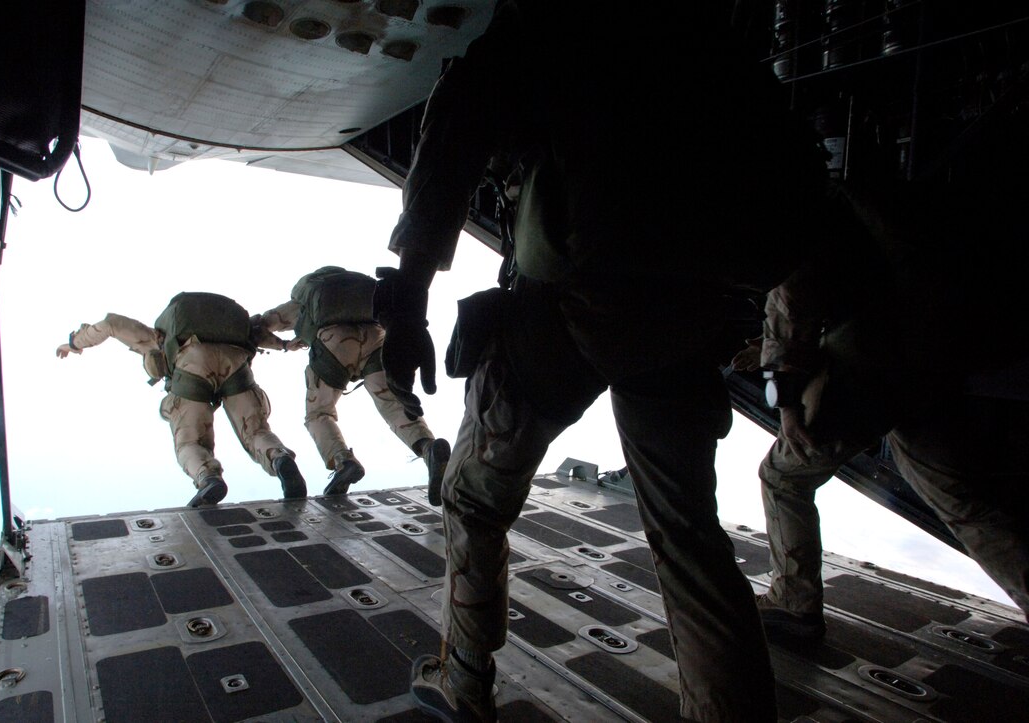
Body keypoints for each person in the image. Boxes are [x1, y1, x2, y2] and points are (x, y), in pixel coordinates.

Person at [375, 2, 840, 720]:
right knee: (689, 535)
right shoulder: (709, 41)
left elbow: (459, 122)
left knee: (474, 499)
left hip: (566, 307)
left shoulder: (557, 20)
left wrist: (408, 300)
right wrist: (788, 349)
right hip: (686, 317)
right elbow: (800, 199)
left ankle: (464, 681)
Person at [735, 183, 1029, 637]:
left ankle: (794, 602)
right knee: (962, 505)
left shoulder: (799, 210)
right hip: (935, 356)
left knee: (783, 477)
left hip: (872, 361)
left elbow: (791, 302)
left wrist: (786, 399)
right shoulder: (881, 200)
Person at [57, 291, 308, 507]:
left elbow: (111, 324)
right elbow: (256, 332)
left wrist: (75, 343)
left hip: (192, 368)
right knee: (256, 431)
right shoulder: (228, 329)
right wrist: (284, 345)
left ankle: (208, 478)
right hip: (236, 363)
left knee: (189, 442)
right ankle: (280, 458)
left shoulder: (160, 335)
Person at [253, 266, 450, 499]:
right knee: (393, 404)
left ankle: (343, 461)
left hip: (334, 341)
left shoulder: (306, 298)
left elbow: (259, 327)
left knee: (318, 413)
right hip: (376, 338)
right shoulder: (362, 291)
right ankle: (428, 448)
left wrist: (284, 345)